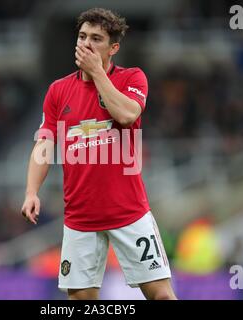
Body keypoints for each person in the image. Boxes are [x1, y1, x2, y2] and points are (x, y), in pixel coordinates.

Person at [21, 7, 177, 300]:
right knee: (80, 300)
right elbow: (44, 144)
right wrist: (31, 191)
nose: (86, 44)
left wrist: (96, 73)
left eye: (96, 38)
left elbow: (128, 115)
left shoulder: (132, 78)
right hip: (81, 218)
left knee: (162, 296)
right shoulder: (58, 91)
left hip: (129, 212)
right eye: (82, 37)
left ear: (113, 47)